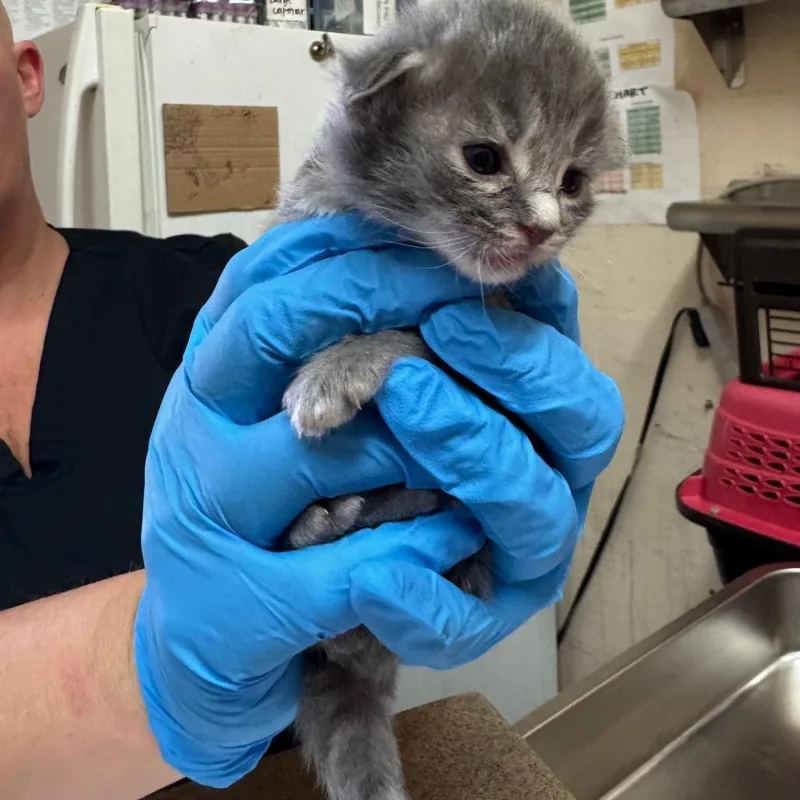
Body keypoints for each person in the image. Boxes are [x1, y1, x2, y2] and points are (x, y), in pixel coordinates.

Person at [0, 6, 625, 800]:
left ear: (27, 77)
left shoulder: (219, 296)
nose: (543, 219)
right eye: (485, 159)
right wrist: (156, 662)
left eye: (572, 183)